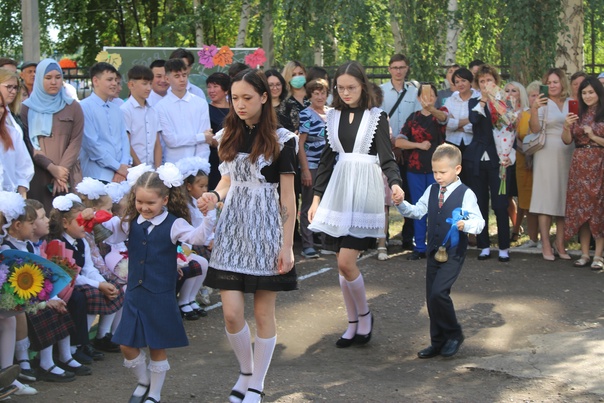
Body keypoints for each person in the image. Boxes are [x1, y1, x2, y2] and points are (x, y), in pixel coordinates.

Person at [198, 68, 297, 403]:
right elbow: (227, 180)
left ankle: (256, 383)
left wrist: (287, 245)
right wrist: (214, 195)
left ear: (264, 97)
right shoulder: (228, 132)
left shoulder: (283, 139)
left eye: (247, 98)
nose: (239, 104)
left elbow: (288, 197)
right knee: (231, 313)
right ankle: (245, 371)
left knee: (263, 314)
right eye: (235, 98)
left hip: (268, 229)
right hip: (233, 229)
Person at [308, 61, 404, 349]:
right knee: (342, 265)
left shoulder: (377, 116)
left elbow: (387, 157)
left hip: (364, 193)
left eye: (351, 87)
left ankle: (364, 316)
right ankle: (352, 323)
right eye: (340, 88)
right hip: (339, 192)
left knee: (345, 262)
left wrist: (395, 183)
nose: (346, 92)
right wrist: (316, 199)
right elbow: (326, 162)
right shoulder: (332, 116)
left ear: (363, 86)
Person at [102, 165, 215, 403]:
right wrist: (94, 218)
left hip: (160, 294)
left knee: (157, 347)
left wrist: (209, 216)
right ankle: (143, 381)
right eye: (139, 202)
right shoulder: (131, 221)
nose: (144, 207)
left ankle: (154, 394)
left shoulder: (174, 224)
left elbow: (198, 237)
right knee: (126, 345)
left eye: (150, 203)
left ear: (164, 200)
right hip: (135, 293)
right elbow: (111, 234)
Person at [395, 144, 484, 358]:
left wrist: (466, 225)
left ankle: (454, 334)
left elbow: (480, 222)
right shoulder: (432, 190)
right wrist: (401, 204)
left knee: (439, 293)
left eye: (442, 172)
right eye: (435, 172)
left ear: (457, 169)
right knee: (431, 297)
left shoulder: (466, 194)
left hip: (453, 252)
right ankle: (437, 342)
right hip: (433, 250)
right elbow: (418, 211)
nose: (437, 176)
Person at [21, 58, 84, 212]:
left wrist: (61, 171)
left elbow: (75, 141)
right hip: (40, 175)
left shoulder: (73, 107)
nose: (54, 82)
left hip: (67, 174)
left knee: (70, 217)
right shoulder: (27, 108)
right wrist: (52, 168)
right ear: (39, 79)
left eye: (58, 77)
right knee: (42, 218)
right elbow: (29, 144)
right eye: (48, 78)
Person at [396, 83, 448, 260]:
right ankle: (419, 246)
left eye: (431, 95)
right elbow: (399, 141)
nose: (428, 99)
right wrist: (418, 145)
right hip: (415, 170)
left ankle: (436, 246)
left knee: (437, 208)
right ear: (418, 98)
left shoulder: (440, 114)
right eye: (424, 96)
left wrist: (431, 108)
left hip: (437, 170)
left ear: (436, 97)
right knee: (418, 208)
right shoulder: (413, 118)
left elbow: (444, 118)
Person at [466, 64, 513, 262]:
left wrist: (509, 154)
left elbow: (510, 126)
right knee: (480, 203)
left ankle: (503, 247)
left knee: (500, 204)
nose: (486, 84)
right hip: (477, 158)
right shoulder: (474, 101)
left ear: (496, 81)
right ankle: (484, 245)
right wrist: (484, 100)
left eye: (489, 80)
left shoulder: (505, 101)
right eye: (482, 81)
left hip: (498, 158)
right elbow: (474, 120)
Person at [529, 68, 574, 261]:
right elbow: (534, 129)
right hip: (546, 152)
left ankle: (560, 243)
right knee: (545, 199)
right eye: (549, 82)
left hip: (568, 152)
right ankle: (546, 243)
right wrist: (534, 109)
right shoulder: (543, 103)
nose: (553, 85)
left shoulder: (571, 102)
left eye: (556, 82)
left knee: (563, 198)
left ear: (562, 83)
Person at [562, 76, 604, 270]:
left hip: (599, 163)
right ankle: (585, 253)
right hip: (579, 164)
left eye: (591, 92)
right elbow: (566, 140)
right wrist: (566, 126)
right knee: (582, 209)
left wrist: (593, 135)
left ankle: (598, 255)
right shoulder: (577, 113)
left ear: (598, 93)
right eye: (584, 93)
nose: (587, 96)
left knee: (598, 209)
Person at [381, 54, 420, 250]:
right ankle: (382, 237)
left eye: (402, 67)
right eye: (395, 67)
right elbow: (377, 120)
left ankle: (408, 237)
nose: (398, 71)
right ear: (389, 69)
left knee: (410, 194)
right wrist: (391, 144)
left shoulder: (414, 92)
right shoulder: (380, 92)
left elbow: (417, 120)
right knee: (383, 196)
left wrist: (403, 144)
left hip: (408, 151)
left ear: (407, 69)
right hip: (385, 151)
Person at [79, 62, 130, 183]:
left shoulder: (117, 109)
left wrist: (123, 166)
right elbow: (92, 145)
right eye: (109, 80)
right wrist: (117, 167)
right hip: (97, 175)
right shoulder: (84, 107)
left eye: (115, 80)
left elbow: (124, 139)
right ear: (95, 81)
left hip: (121, 175)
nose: (114, 84)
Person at [155, 58, 211, 164]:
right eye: (177, 76)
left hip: (198, 166)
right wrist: (201, 137)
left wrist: (201, 166)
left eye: (184, 75)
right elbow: (171, 140)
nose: (182, 79)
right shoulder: (160, 107)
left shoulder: (200, 103)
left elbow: (204, 143)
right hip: (171, 166)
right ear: (167, 79)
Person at [298, 78, 330, 259]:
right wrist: (305, 170)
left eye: (322, 93)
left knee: (328, 203)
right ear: (310, 96)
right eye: (316, 93)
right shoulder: (306, 114)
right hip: (311, 165)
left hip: (330, 166)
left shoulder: (332, 113)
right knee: (309, 204)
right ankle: (308, 244)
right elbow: (300, 144)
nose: (319, 97)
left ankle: (327, 242)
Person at [514, 81, 540, 249]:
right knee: (526, 201)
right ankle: (532, 239)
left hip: (542, 161)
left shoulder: (547, 114)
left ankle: (544, 239)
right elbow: (515, 137)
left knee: (543, 201)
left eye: (538, 95)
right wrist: (526, 152)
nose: (535, 98)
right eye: (532, 95)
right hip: (523, 161)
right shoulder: (521, 116)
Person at [121, 65, 162, 168]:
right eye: (144, 84)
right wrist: (141, 169)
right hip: (133, 169)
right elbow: (126, 144)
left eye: (150, 84)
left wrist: (158, 170)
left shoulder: (153, 111)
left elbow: (157, 143)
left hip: (152, 170)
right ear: (131, 85)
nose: (149, 88)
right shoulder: (125, 110)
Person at [444, 68, 480, 185]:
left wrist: (456, 124)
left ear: (470, 81)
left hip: (473, 144)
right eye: (457, 82)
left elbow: (477, 125)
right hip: (452, 143)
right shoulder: (450, 100)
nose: (460, 84)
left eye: (463, 80)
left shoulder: (479, 99)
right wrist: (469, 119)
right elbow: (446, 123)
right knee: (453, 179)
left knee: (472, 180)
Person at [503, 81, 529, 242]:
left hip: (520, 154)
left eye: (514, 90)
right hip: (503, 156)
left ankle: (516, 227)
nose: (510, 93)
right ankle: (514, 223)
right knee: (506, 194)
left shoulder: (525, 112)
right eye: (507, 90)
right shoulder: (500, 112)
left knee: (521, 194)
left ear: (520, 93)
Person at [0, 91, 33, 196]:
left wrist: (22, 198)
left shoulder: (13, 134)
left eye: (1, 106)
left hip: (10, 198)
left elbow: (23, 168)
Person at [206, 72, 231, 189]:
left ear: (226, 90)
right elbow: (209, 137)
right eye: (209, 87)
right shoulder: (206, 109)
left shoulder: (236, 109)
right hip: (216, 159)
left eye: (215, 86)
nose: (211, 90)